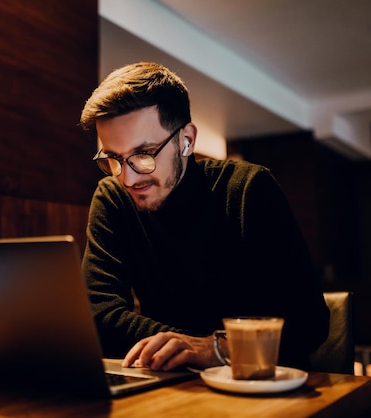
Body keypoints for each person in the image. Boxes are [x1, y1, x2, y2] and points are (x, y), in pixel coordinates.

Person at [79, 62, 329, 373]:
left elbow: (308, 324)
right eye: (114, 158)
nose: (128, 178)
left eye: (144, 155)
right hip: (171, 384)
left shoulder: (249, 189)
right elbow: (98, 317)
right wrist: (186, 347)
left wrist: (213, 348)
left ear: (186, 140)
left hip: (260, 387)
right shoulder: (113, 199)